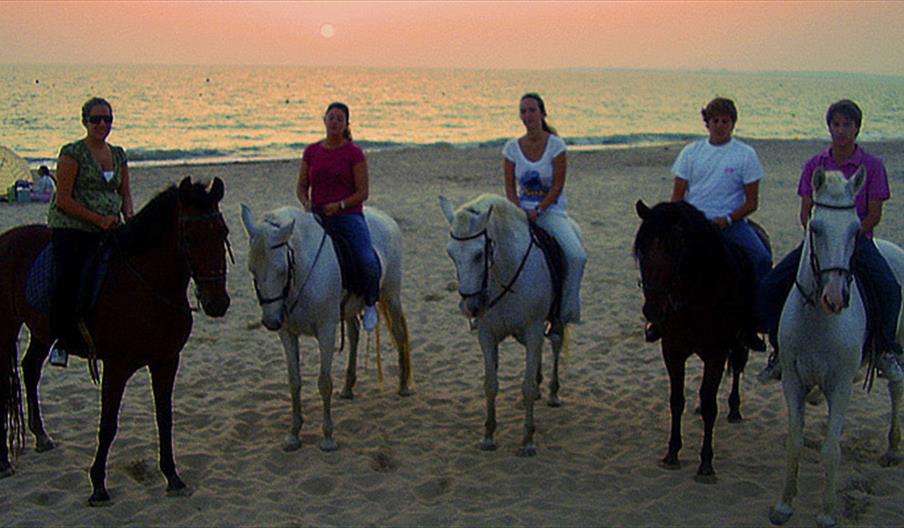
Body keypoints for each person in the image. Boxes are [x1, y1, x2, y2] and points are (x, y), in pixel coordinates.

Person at [757, 99, 903, 383]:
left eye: (847, 124)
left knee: (890, 288)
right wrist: (819, 237)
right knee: (770, 285)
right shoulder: (816, 165)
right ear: (829, 127)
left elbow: (874, 214)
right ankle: (778, 351)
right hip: (820, 242)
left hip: (857, 242)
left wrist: (849, 236)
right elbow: (805, 210)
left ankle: (885, 349)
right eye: (836, 124)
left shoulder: (872, 166)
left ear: (857, 128)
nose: (841, 130)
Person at [651, 97, 772, 348]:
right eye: (715, 120)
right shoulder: (691, 152)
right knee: (661, 260)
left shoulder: (745, 154)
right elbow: (678, 196)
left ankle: (756, 323)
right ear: (706, 123)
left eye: (725, 121)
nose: (720, 125)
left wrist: (727, 219)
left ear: (733, 123)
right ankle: (659, 318)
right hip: (694, 224)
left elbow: (752, 202)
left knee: (761, 258)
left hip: (730, 223)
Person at [47, 97, 134, 367]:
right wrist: (98, 220)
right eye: (96, 119)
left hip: (111, 226)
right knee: (69, 276)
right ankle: (61, 340)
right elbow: (63, 199)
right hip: (74, 227)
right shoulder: (73, 153)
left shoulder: (118, 154)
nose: (102, 124)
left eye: (107, 119)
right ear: (84, 121)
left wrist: (130, 220)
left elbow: (125, 194)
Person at [503, 92, 587, 334]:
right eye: (523, 111)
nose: (527, 116)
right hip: (519, 211)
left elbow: (558, 185)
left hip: (551, 211)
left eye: (531, 110)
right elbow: (510, 189)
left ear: (542, 113)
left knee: (577, 256)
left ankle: (566, 310)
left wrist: (539, 210)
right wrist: (520, 211)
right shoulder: (511, 148)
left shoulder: (556, 146)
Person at [297, 102, 381, 332]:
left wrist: (341, 205)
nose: (334, 122)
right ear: (324, 120)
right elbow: (302, 186)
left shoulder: (354, 153)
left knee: (366, 259)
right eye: (331, 117)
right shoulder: (311, 151)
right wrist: (306, 202)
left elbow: (363, 192)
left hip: (347, 216)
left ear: (346, 124)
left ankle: (370, 302)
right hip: (317, 215)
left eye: (340, 119)